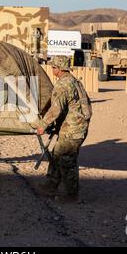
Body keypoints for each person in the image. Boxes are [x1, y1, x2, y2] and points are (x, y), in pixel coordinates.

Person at [37, 55, 92, 202]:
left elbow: (56, 110)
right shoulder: (74, 81)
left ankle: (72, 195)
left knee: (67, 161)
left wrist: (42, 125)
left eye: (53, 67)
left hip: (73, 129)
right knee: (57, 155)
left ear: (58, 69)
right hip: (77, 127)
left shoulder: (63, 85)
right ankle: (51, 185)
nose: (52, 69)